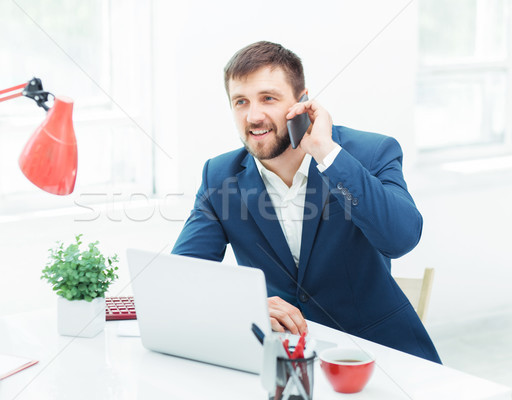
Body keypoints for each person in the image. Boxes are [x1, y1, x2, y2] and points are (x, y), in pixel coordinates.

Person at [172, 41, 441, 363]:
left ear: (301, 103)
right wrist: (248, 306)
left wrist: (327, 153)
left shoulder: (371, 152)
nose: (253, 116)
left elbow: (401, 239)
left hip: (378, 357)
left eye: (268, 98)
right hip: (282, 361)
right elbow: (181, 277)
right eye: (240, 102)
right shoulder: (220, 175)